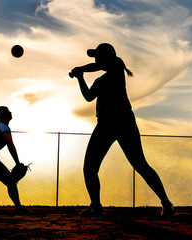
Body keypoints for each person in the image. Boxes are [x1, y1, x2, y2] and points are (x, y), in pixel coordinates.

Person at [70, 43, 173, 216]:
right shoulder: (111, 72)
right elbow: (93, 75)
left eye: (98, 56)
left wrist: (80, 74)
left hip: (113, 123)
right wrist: (80, 71)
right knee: (96, 167)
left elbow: (89, 91)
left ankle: (165, 203)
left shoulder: (113, 70)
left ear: (107, 58)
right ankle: (96, 205)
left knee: (135, 165)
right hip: (119, 122)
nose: (95, 59)